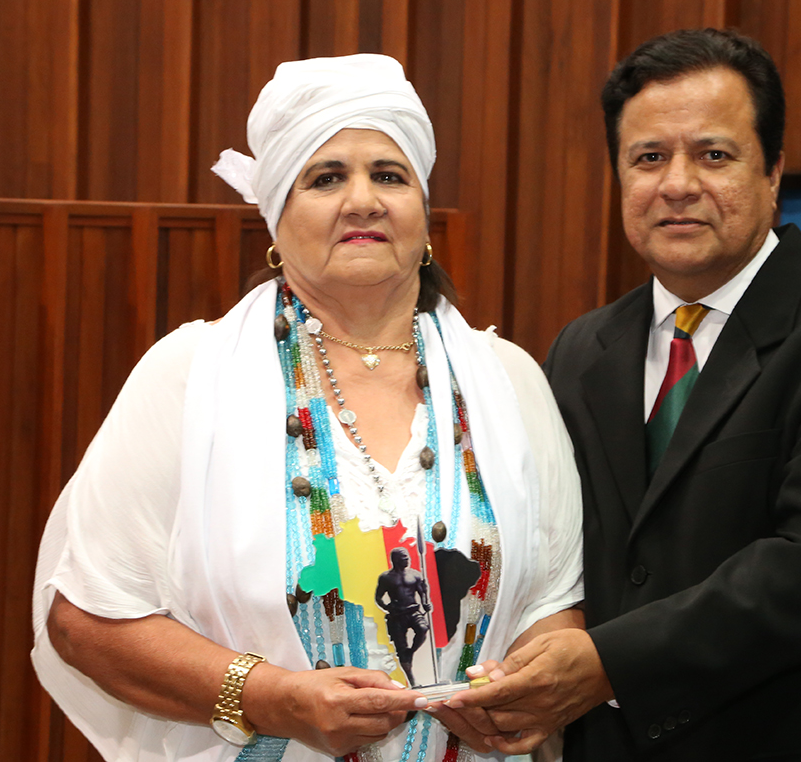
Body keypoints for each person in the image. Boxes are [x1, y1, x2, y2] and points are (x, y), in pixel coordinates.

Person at [31, 53, 583, 762]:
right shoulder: (190, 375)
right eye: (326, 178)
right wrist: (270, 698)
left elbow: (552, 602)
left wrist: (526, 685)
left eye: (389, 175)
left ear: (423, 214)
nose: (363, 200)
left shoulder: (509, 379)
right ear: (275, 217)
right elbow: (85, 621)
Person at [444, 29, 801, 761]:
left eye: (713, 155)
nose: (676, 184)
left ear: (773, 171)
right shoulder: (582, 347)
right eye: (648, 158)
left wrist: (606, 662)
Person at [375, 547, 432, 686]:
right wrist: (387, 607)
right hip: (397, 615)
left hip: (413, 611)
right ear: (395, 560)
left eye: (408, 558)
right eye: (404, 558)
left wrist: (425, 603)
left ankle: (410, 652)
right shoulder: (386, 577)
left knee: (423, 629)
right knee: (401, 648)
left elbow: (422, 592)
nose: (408, 560)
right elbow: (378, 597)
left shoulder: (415, 575)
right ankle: (412, 681)